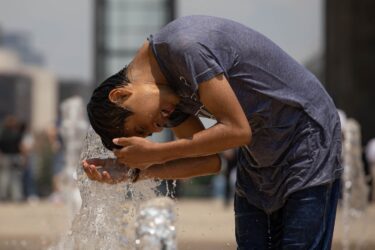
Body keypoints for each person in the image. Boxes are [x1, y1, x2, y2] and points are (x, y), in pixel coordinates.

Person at [83, 15, 342, 249]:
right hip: (258, 157)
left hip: (306, 137)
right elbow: (209, 161)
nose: (156, 128)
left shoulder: (185, 47)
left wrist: (157, 152)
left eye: (142, 127)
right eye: (148, 134)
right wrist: (136, 171)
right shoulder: (167, 98)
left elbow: (237, 131)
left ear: (120, 95)